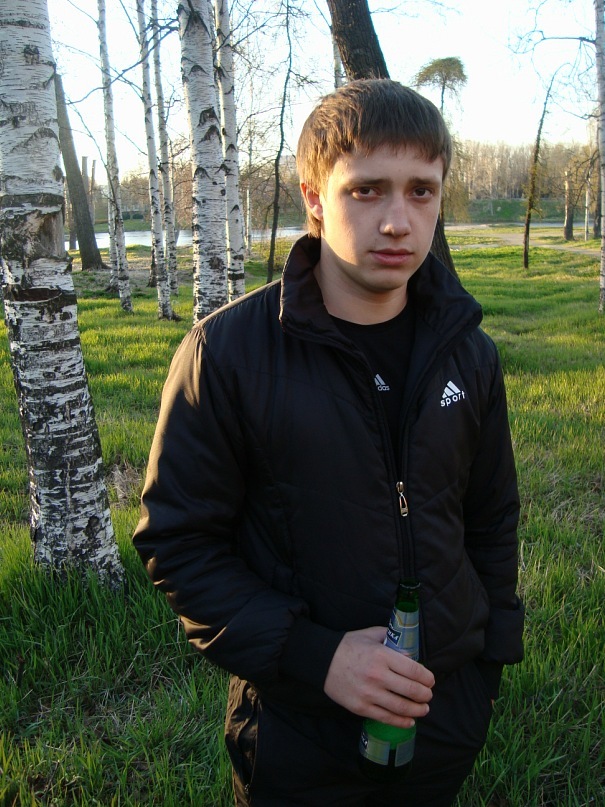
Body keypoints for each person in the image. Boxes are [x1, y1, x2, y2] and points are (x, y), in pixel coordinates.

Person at [133, 79, 524, 807]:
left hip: (445, 712)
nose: (398, 221)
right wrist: (318, 657)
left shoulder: (468, 354)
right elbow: (178, 543)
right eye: (366, 190)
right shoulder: (227, 355)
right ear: (314, 198)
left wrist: (489, 663)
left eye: (421, 191)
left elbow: (491, 516)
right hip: (298, 725)